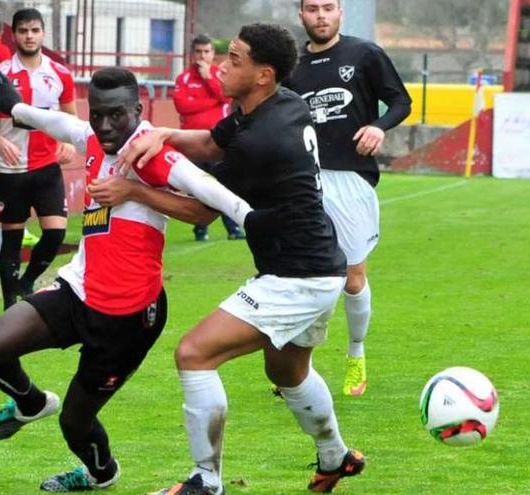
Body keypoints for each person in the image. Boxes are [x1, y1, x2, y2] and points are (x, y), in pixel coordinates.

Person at [0, 66, 255, 493]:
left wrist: (137, 192)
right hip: (78, 290)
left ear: (139, 111)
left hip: (128, 317)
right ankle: (30, 403)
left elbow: (207, 203)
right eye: (98, 114)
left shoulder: (153, 155)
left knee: (76, 423)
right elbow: (60, 122)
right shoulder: (90, 136)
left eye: (116, 115)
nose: (105, 126)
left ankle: (101, 474)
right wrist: (15, 106)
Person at [114, 24, 364, 494]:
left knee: (194, 353)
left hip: (297, 276)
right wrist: (165, 132)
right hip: (316, 264)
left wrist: (133, 190)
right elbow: (212, 142)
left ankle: (204, 482)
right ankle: (336, 458)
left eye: (235, 60)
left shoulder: (262, 140)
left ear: (263, 74)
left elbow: (202, 208)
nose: (223, 66)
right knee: (286, 371)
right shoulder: (278, 104)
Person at [284, 0, 411, 396]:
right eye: (312, 9)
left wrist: (378, 126)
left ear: (340, 13)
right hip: (302, 180)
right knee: (303, 273)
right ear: (300, 14)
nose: (321, 16)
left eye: (328, 7)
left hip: (351, 179)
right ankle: (298, 367)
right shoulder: (290, 67)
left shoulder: (364, 54)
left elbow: (401, 102)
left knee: (353, 278)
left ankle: (356, 353)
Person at [0, 8, 77, 310]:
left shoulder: (60, 74)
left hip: (46, 166)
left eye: (34, 30)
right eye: (23, 31)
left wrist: (68, 142)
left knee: (56, 233)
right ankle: (9, 306)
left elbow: (71, 119)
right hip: (9, 169)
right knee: (11, 239)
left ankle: (27, 281)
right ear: (14, 35)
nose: (29, 36)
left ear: (43, 33)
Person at [173, 34, 244, 242]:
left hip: (220, 142)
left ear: (213, 53)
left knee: (226, 185)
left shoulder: (220, 73)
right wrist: (211, 102)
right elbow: (182, 107)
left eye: (206, 51)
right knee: (197, 188)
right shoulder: (183, 78)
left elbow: (226, 97)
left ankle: (233, 228)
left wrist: (208, 80)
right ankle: (200, 229)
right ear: (192, 54)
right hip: (193, 143)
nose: (202, 56)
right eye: (198, 52)